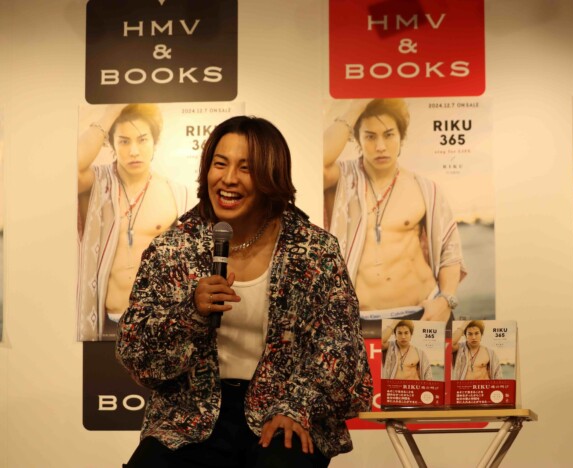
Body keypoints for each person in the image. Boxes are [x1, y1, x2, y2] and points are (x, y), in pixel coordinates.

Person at [116, 116, 373, 467]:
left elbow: (343, 354)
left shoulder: (313, 250)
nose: (228, 179)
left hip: (284, 412)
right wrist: (190, 312)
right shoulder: (173, 249)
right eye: (220, 164)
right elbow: (137, 355)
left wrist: (297, 406)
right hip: (191, 418)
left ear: (271, 176)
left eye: (246, 168)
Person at [323, 98, 466, 337]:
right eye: (370, 136)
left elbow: (450, 252)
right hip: (357, 320)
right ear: (357, 140)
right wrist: (355, 110)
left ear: (401, 138)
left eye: (389, 135)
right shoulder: (342, 179)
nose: (380, 146)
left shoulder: (424, 188)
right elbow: (315, 162)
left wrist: (446, 300)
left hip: (423, 313)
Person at [77, 104, 192, 341]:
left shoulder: (175, 195)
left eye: (142, 140)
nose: (134, 151)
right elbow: (71, 167)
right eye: (124, 141)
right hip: (107, 323)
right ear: (111, 144)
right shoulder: (98, 184)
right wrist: (111, 113)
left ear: (154, 142)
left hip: (158, 326)